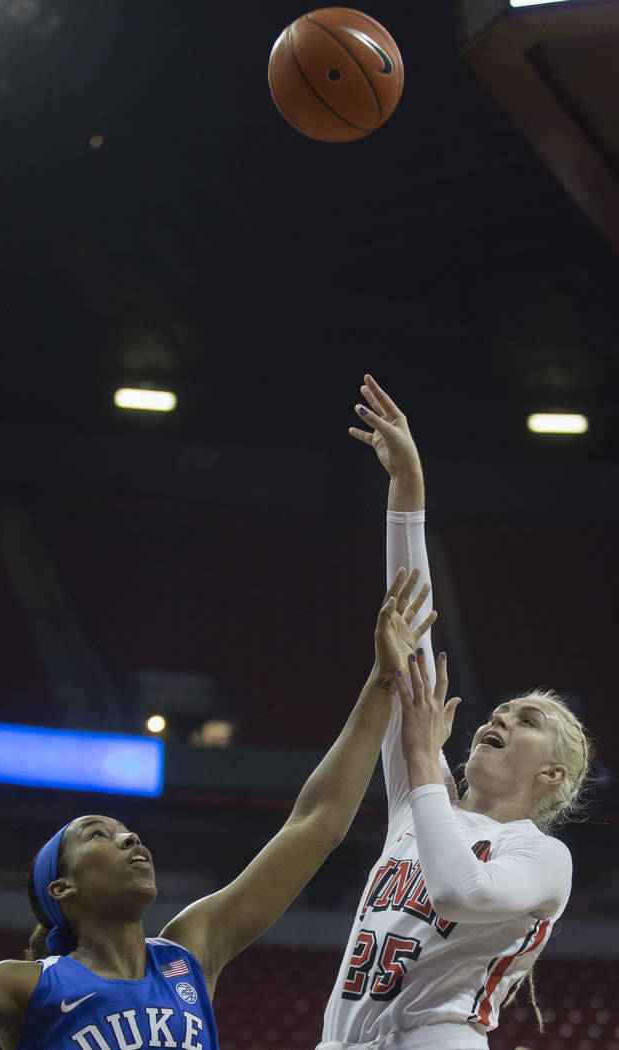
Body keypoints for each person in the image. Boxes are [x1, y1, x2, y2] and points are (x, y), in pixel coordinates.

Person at [0, 566, 447, 1050]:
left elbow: (316, 824)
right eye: (98, 835)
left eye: (126, 831)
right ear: (63, 888)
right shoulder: (24, 986)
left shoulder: (188, 952)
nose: (129, 838)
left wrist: (385, 679)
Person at [317, 375, 593, 1050]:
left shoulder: (541, 856)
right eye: (501, 708)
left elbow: (458, 893)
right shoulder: (424, 795)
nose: (500, 715)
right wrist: (406, 491)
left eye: (525, 719)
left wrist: (419, 761)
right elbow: (408, 630)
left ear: (553, 775)